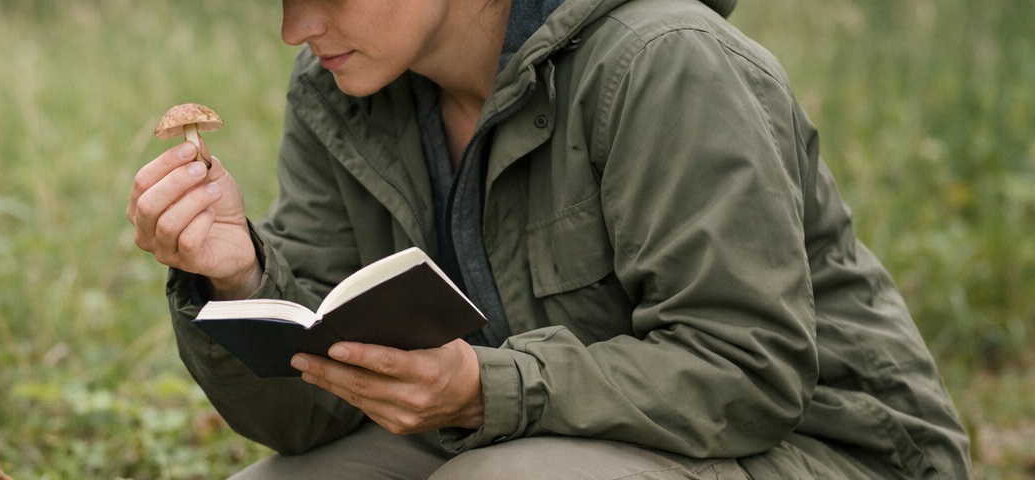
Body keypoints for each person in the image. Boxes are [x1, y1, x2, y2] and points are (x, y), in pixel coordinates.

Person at [126, 0, 971, 478]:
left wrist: (484, 390)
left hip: (824, 454)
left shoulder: (663, 60)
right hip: (536, 434)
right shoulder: (341, 90)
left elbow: (747, 370)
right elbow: (310, 421)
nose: (297, 25)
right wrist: (240, 281)